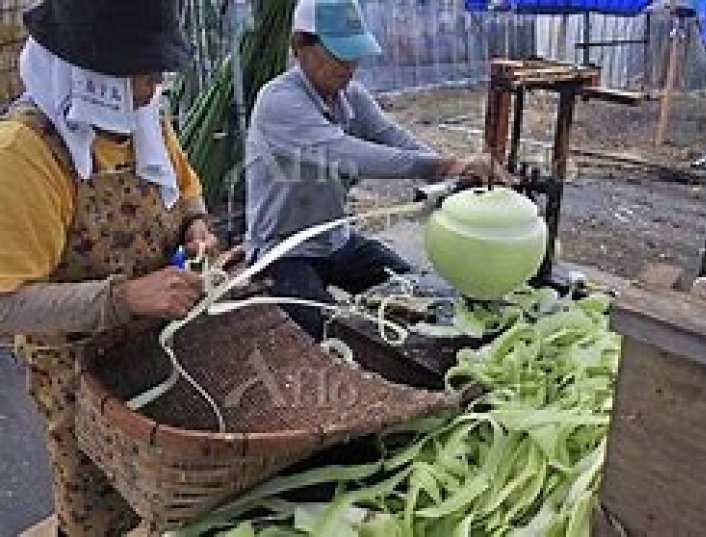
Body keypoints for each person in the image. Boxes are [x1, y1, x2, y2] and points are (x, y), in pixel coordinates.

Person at [0, 1, 219, 534]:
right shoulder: (24, 156)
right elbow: (8, 304)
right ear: (86, 74)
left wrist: (196, 229)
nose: (150, 89)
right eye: (141, 75)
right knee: (97, 508)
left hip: (159, 349)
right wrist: (125, 297)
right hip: (79, 377)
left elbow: (187, 193)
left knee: (172, 492)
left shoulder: (142, 121)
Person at [246, 0, 508, 340]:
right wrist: (446, 165)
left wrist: (452, 173)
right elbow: (351, 155)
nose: (349, 65)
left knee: (415, 292)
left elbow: (392, 137)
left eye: (354, 54)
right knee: (329, 336)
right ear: (300, 46)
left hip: (335, 241)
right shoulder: (279, 101)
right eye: (339, 54)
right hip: (286, 249)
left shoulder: (349, 95)